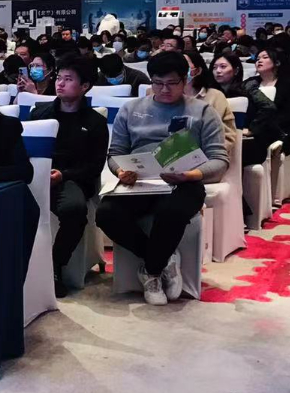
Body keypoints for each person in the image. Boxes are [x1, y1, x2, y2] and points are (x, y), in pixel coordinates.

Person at [97, 51, 229, 306]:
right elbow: (115, 154)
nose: (164, 90)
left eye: (172, 83)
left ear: (185, 80)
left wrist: (191, 174)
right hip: (141, 181)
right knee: (106, 214)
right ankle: (163, 261)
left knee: (172, 211)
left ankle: (150, 272)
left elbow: (219, 159)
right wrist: (121, 172)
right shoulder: (131, 109)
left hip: (184, 182)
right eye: (158, 83)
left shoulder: (203, 112)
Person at [29, 55, 110, 297]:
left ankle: (54, 267)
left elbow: (94, 166)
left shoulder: (95, 122)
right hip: (38, 174)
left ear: (84, 86)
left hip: (71, 180)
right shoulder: (40, 113)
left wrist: (63, 175)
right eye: (59, 78)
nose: (60, 83)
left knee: (74, 210)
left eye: (68, 79)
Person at [212, 52, 282, 171]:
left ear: (236, 70)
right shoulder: (211, 93)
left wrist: (251, 130)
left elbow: (268, 107)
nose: (218, 71)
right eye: (214, 68)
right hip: (224, 139)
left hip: (249, 141)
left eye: (223, 67)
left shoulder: (247, 88)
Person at [183, 51, 237, 141]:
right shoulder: (169, 96)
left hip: (209, 147)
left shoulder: (215, 96)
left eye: (183, 64)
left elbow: (226, 135)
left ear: (197, 71)